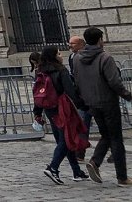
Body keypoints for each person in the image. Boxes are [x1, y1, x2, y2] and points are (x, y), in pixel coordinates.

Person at [72, 27, 132, 185]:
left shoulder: (77, 58)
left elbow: (77, 81)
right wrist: (127, 95)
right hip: (108, 102)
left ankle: (95, 162)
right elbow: (114, 82)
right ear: (99, 40)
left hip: (91, 103)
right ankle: (122, 176)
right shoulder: (105, 57)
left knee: (106, 135)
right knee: (116, 138)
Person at [33, 45, 89, 184]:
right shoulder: (60, 70)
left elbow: (39, 93)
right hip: (61, 108)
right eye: (58, 53)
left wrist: (37, 113)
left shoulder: (40, 71)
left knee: (62, 139)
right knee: (66, 139)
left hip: (48, 108)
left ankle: (76, 171)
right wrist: (83, 105)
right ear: (54, 56)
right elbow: (70, 91)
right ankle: (53, 167)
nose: (61, 55)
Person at [68, 35, 92, 158]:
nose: (70, 46)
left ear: (81, 44)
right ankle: (80, 151)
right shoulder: (72, 57)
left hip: (94, 95)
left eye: (73, 44)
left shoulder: (89, 55)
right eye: (70, 43)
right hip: (81, 97)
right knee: (83, 124)